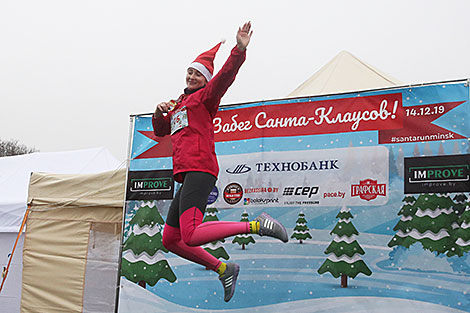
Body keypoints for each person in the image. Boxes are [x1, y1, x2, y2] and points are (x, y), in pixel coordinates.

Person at [152, 22, 288, 303]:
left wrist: (239, 49)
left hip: (201, 169)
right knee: (170, 239)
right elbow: (161, 130)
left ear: (205, 79)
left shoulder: (205, 98)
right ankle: (224, 267)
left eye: (197, 73)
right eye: (189, 72)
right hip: (187, 174)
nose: (191, 76)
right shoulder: (179, 104)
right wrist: (159, 110)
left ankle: (256, 226)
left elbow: (225, 77)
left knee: (190, 235)